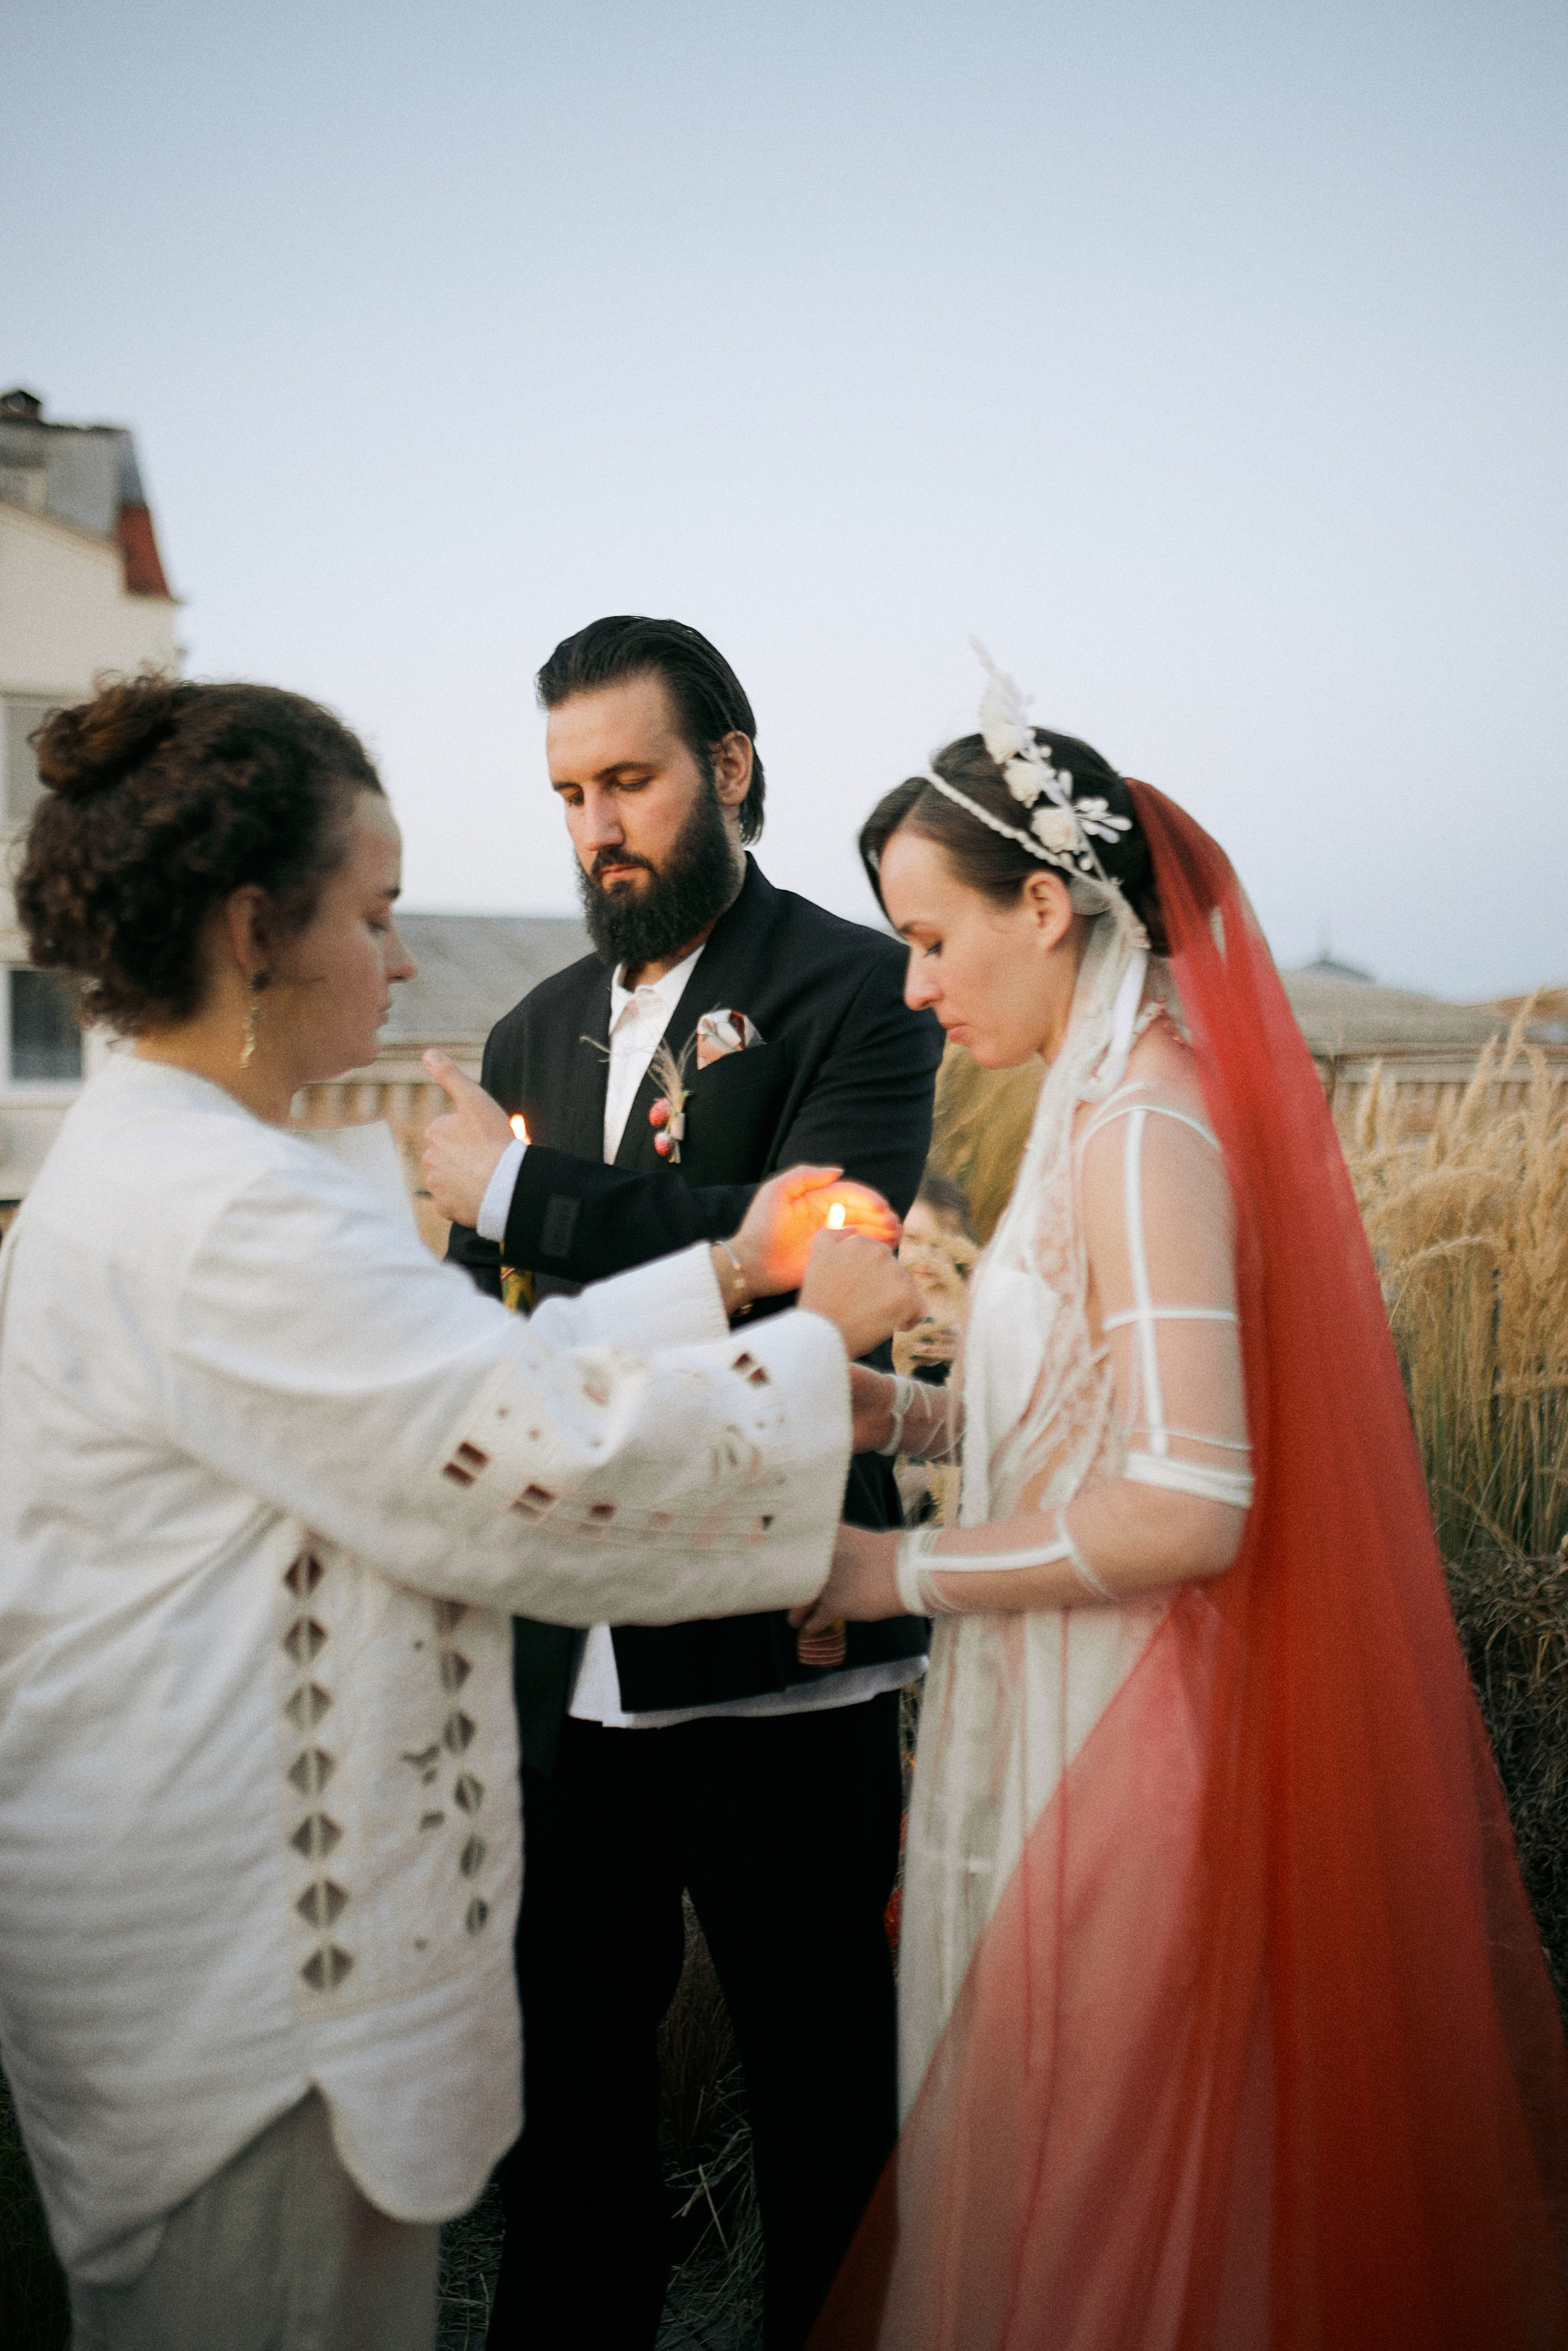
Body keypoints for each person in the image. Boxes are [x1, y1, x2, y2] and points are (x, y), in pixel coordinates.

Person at [0, 675, 918, 2351]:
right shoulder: (228, 1207)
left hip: (196, 1937)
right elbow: (523, 1457)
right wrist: (805, 1358)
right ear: (253, 928)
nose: (406, 962)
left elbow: (456, 1373)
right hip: (242, 1991)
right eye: (378, 913)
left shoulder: (163, 1166)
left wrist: (722, 1276)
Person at [793, 649, 1568, 2349]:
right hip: (1066, 1696)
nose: (913, 989)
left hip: (1126, 1729)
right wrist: (911, 1418)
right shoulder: (1093, 1124)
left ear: (1051, 907)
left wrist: (887, 1574)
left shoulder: (1147, 1130)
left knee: (1102, 2199)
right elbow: (1098, 1417)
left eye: (931, 940)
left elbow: (1194, 1506)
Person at [421, 614, 943, 2350]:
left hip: (778, 1635)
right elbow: (480, 1344)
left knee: (822, 2097)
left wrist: (520, 1203)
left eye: (629, 779)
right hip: (561, 1653)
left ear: (727, 767)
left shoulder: (858, 987)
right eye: (569, 793)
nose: (597, 826)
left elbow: (826, 1269)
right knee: (565, 2101)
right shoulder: (529, 1030)